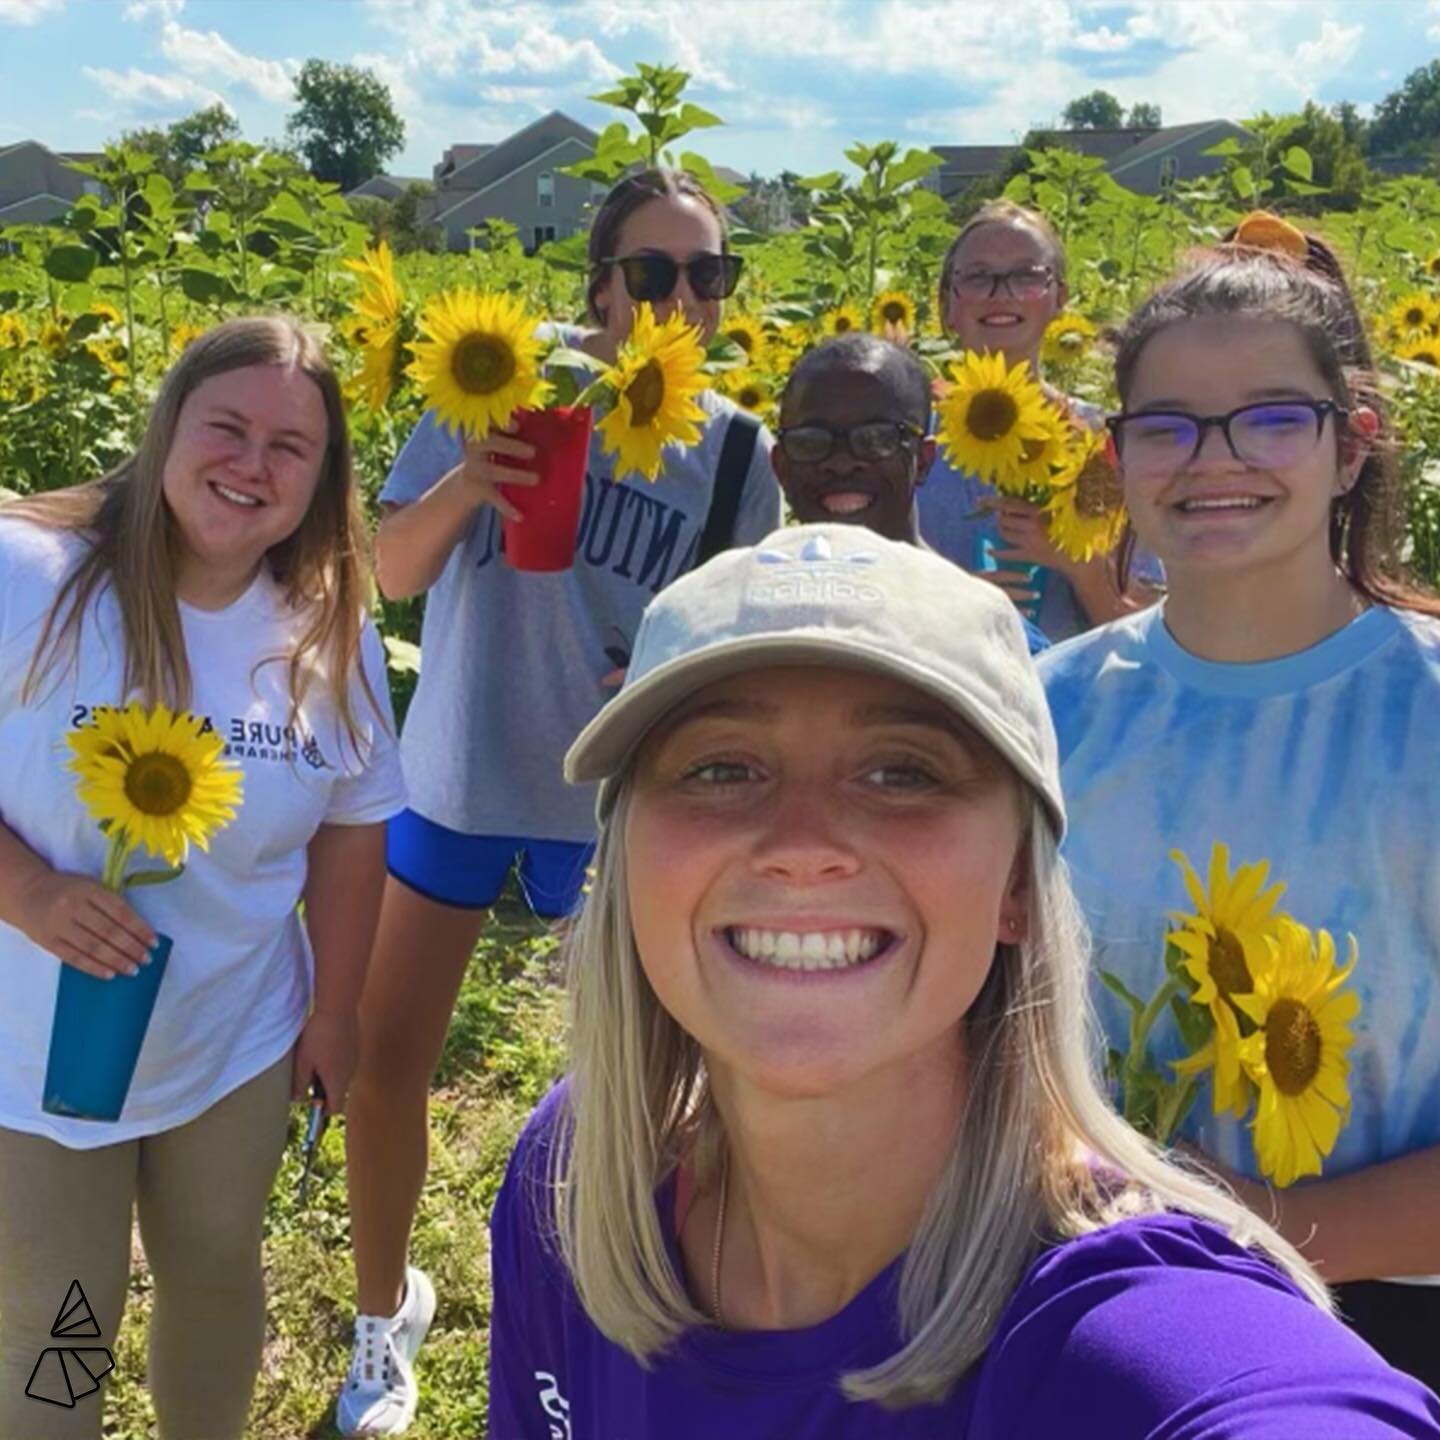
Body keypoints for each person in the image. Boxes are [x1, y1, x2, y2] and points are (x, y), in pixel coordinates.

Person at [485, 520, 1440, 1437]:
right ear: (625, 856)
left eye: (902, 773)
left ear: (1018, 887)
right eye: (720, 768)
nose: (803, 845)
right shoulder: (576, 1175)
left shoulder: (1119, 1322)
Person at [337, 167, 781, 1435]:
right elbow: (385, 569)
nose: (682, 298)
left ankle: (626, 1316)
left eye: (710, 275)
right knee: (387, 1062)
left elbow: (739, 639)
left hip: (621, 804)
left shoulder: (736, 444)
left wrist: (669, 671)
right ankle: (385, 1319)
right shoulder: (496, 371)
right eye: (655, 271)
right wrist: (476, 477)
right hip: (465, 773)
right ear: (600, 278)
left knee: (646, 1090)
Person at [1038, 231, 1440, 1391]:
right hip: (1081, 1297)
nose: (1213, 460)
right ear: (1120, 456)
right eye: (1165, 425)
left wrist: (1264, 1223)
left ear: (1351, 443)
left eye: (1271, 417)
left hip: (1387, 1334)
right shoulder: (1046, 716)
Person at [0, 316, 405, 1440]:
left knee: (219, 1272)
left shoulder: (328, 625)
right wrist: (27, 894)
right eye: (227, 426)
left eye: (291, 447)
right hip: (36, 1046)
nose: (252, 464)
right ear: (167, 425)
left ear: (322, 479)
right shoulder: (27, 572)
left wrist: (334, 1011)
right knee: (61, 1318)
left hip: (232, 1030)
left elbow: (352, 824)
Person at [919, 199, 1162, 639]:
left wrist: (1078, 565)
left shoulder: (1106, 447)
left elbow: (1148, 637)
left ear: (1059, 299)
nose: (1001, 293)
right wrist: (950, 604)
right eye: (978, 276)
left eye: (1026, 275)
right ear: (948, 307)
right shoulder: (910, 444)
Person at [773, 331, 1049, 653]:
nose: (842, 462)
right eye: (811, 441)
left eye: (877, 439)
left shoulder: (993, 640)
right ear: (780, 465)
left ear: (923, 461)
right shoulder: (741, 622)